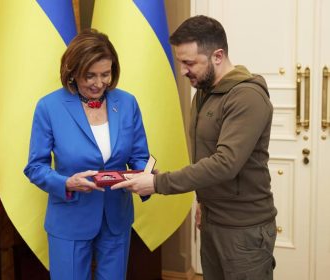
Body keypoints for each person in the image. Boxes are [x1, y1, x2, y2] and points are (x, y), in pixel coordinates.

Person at [112, 15, 277, 280]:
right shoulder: (203, 92)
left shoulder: (247, 97)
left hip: (244, 229)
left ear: (218, 56)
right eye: (180, 62)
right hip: (213, 220)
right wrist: (203, 201)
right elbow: (205, 155)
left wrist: (157, 183)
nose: (183, 71)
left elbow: (225, 163)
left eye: (189, 63)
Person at [24, 28, 149, 280]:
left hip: (116, 217)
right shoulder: (49, 107)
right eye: (89, 76)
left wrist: (146, 175)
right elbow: (35, 167)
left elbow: (139, 156)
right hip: (70, 216)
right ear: (72, 72)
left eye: (106, 74)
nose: (99, 83)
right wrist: (66, 183)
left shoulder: (127, 103)